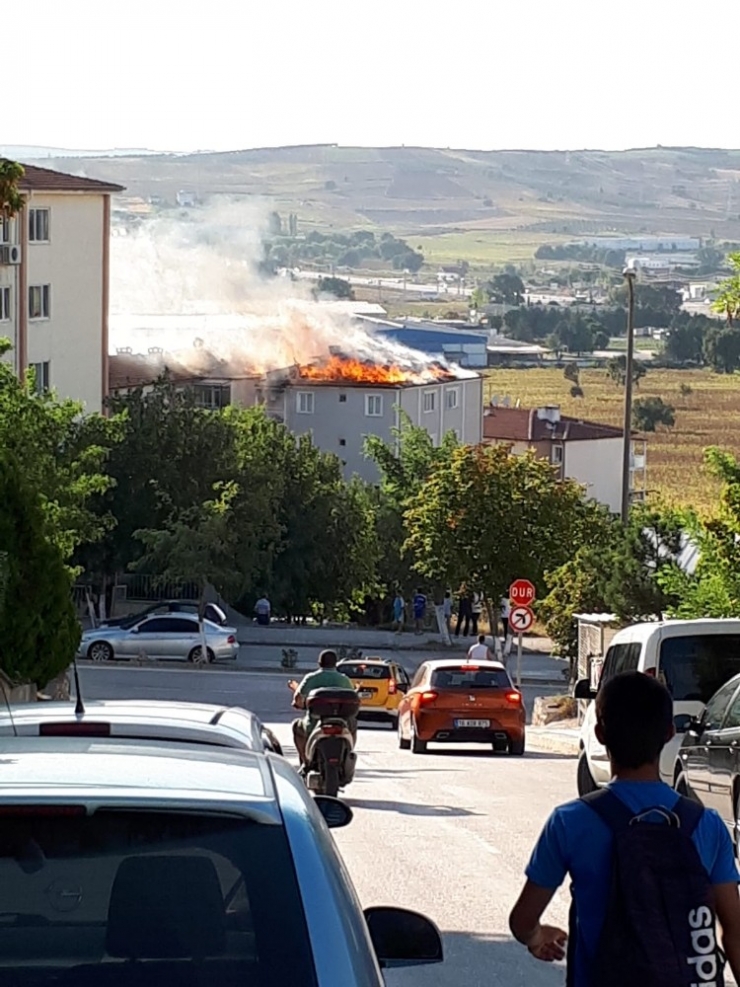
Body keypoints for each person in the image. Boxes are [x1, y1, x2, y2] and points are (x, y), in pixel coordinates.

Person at [509, 672, 740, 987]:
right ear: (669, 733)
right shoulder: (707, 824)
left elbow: (522, 920)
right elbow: (735, 934)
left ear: (600, 734)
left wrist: (536, 936)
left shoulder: (571, 821)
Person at [288, 650, 356, 769]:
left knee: (296, 726)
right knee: (354, 723)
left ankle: (306, 762)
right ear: (335, 663)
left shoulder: (311, 678)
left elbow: (298, 699)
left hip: (313, 724)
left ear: (319, 663)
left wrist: (297, 692)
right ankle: (348, 752)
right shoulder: (344, 680)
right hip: (343, 724)